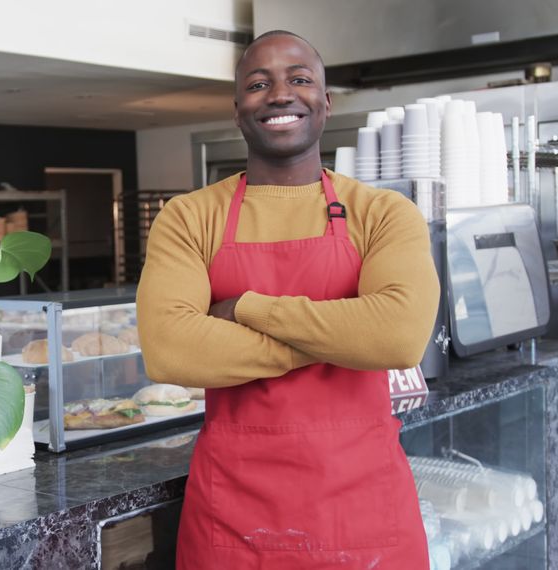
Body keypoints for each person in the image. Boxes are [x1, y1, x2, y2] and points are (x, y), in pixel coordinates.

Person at [136, 30, 439, 569]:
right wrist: (344, 337)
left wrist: (247, 308)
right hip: (234, 517)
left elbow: (398, 335)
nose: (279, 94)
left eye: (299, 79)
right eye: (258, 83)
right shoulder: (188, 217)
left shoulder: (385, 213)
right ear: (237, 110)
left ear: (325, 103)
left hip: (362, 511)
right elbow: (171, 351)